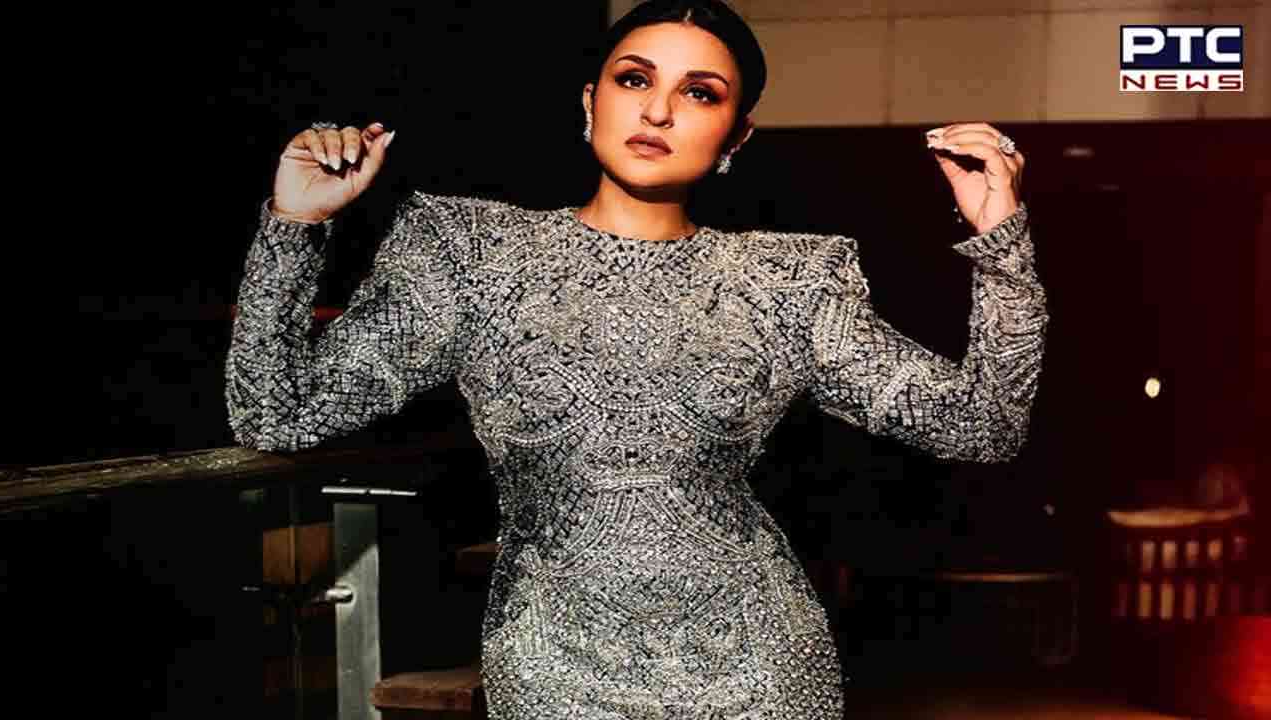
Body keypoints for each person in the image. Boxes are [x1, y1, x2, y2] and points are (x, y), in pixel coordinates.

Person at [224, 1, 1048, 716]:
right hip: (555, 672)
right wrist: (296, 224)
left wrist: (1000, 244)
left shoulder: (787, 283)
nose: (658, 110)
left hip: (760, 670)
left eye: (699, 93)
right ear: (590, 102)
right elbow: (278, 414)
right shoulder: (473, 255)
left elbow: (981, 426)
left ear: (736, 134)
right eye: (634, 80)